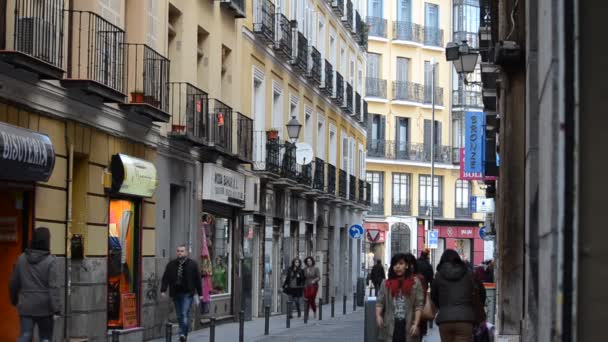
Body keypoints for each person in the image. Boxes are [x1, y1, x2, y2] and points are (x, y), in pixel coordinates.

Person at [9, 227, 61, 342]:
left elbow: (13, 282)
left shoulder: (21, 259)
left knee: (25, 335)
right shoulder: (51, 261)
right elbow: (54, 287)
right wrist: (56, 308)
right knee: (45, 338)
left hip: (26, 305)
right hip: (45, 307)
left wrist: (14, 300)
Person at [431, 249, 484, 342]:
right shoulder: (469, 274)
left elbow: (433, 296)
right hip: (465, 319)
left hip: (445, 319)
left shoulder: (438, 276)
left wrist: (442, 307)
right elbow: (481, 292)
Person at [376, 253, 424, 342]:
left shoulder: (415, 283)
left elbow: (419, 305)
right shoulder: (386, 284)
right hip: (390, 325)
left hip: (408, 325)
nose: (397, 267)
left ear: (406, 266)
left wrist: (416, 323)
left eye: (401, 264)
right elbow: (380, 302)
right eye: (395, 264)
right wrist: (378, 316)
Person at [161, 245, 202, 342]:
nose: (180, 253)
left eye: (182, 251)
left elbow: (197, 279)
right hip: (176, 293)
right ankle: (184, 335)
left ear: (186, 252)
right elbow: (165, 277)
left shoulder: (192, 264)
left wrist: (199, 294)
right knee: (179, 316)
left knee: (184, 313)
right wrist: (163, 290)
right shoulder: (171, 264)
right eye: (178, 251)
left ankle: (182, 334)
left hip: (188, 293)